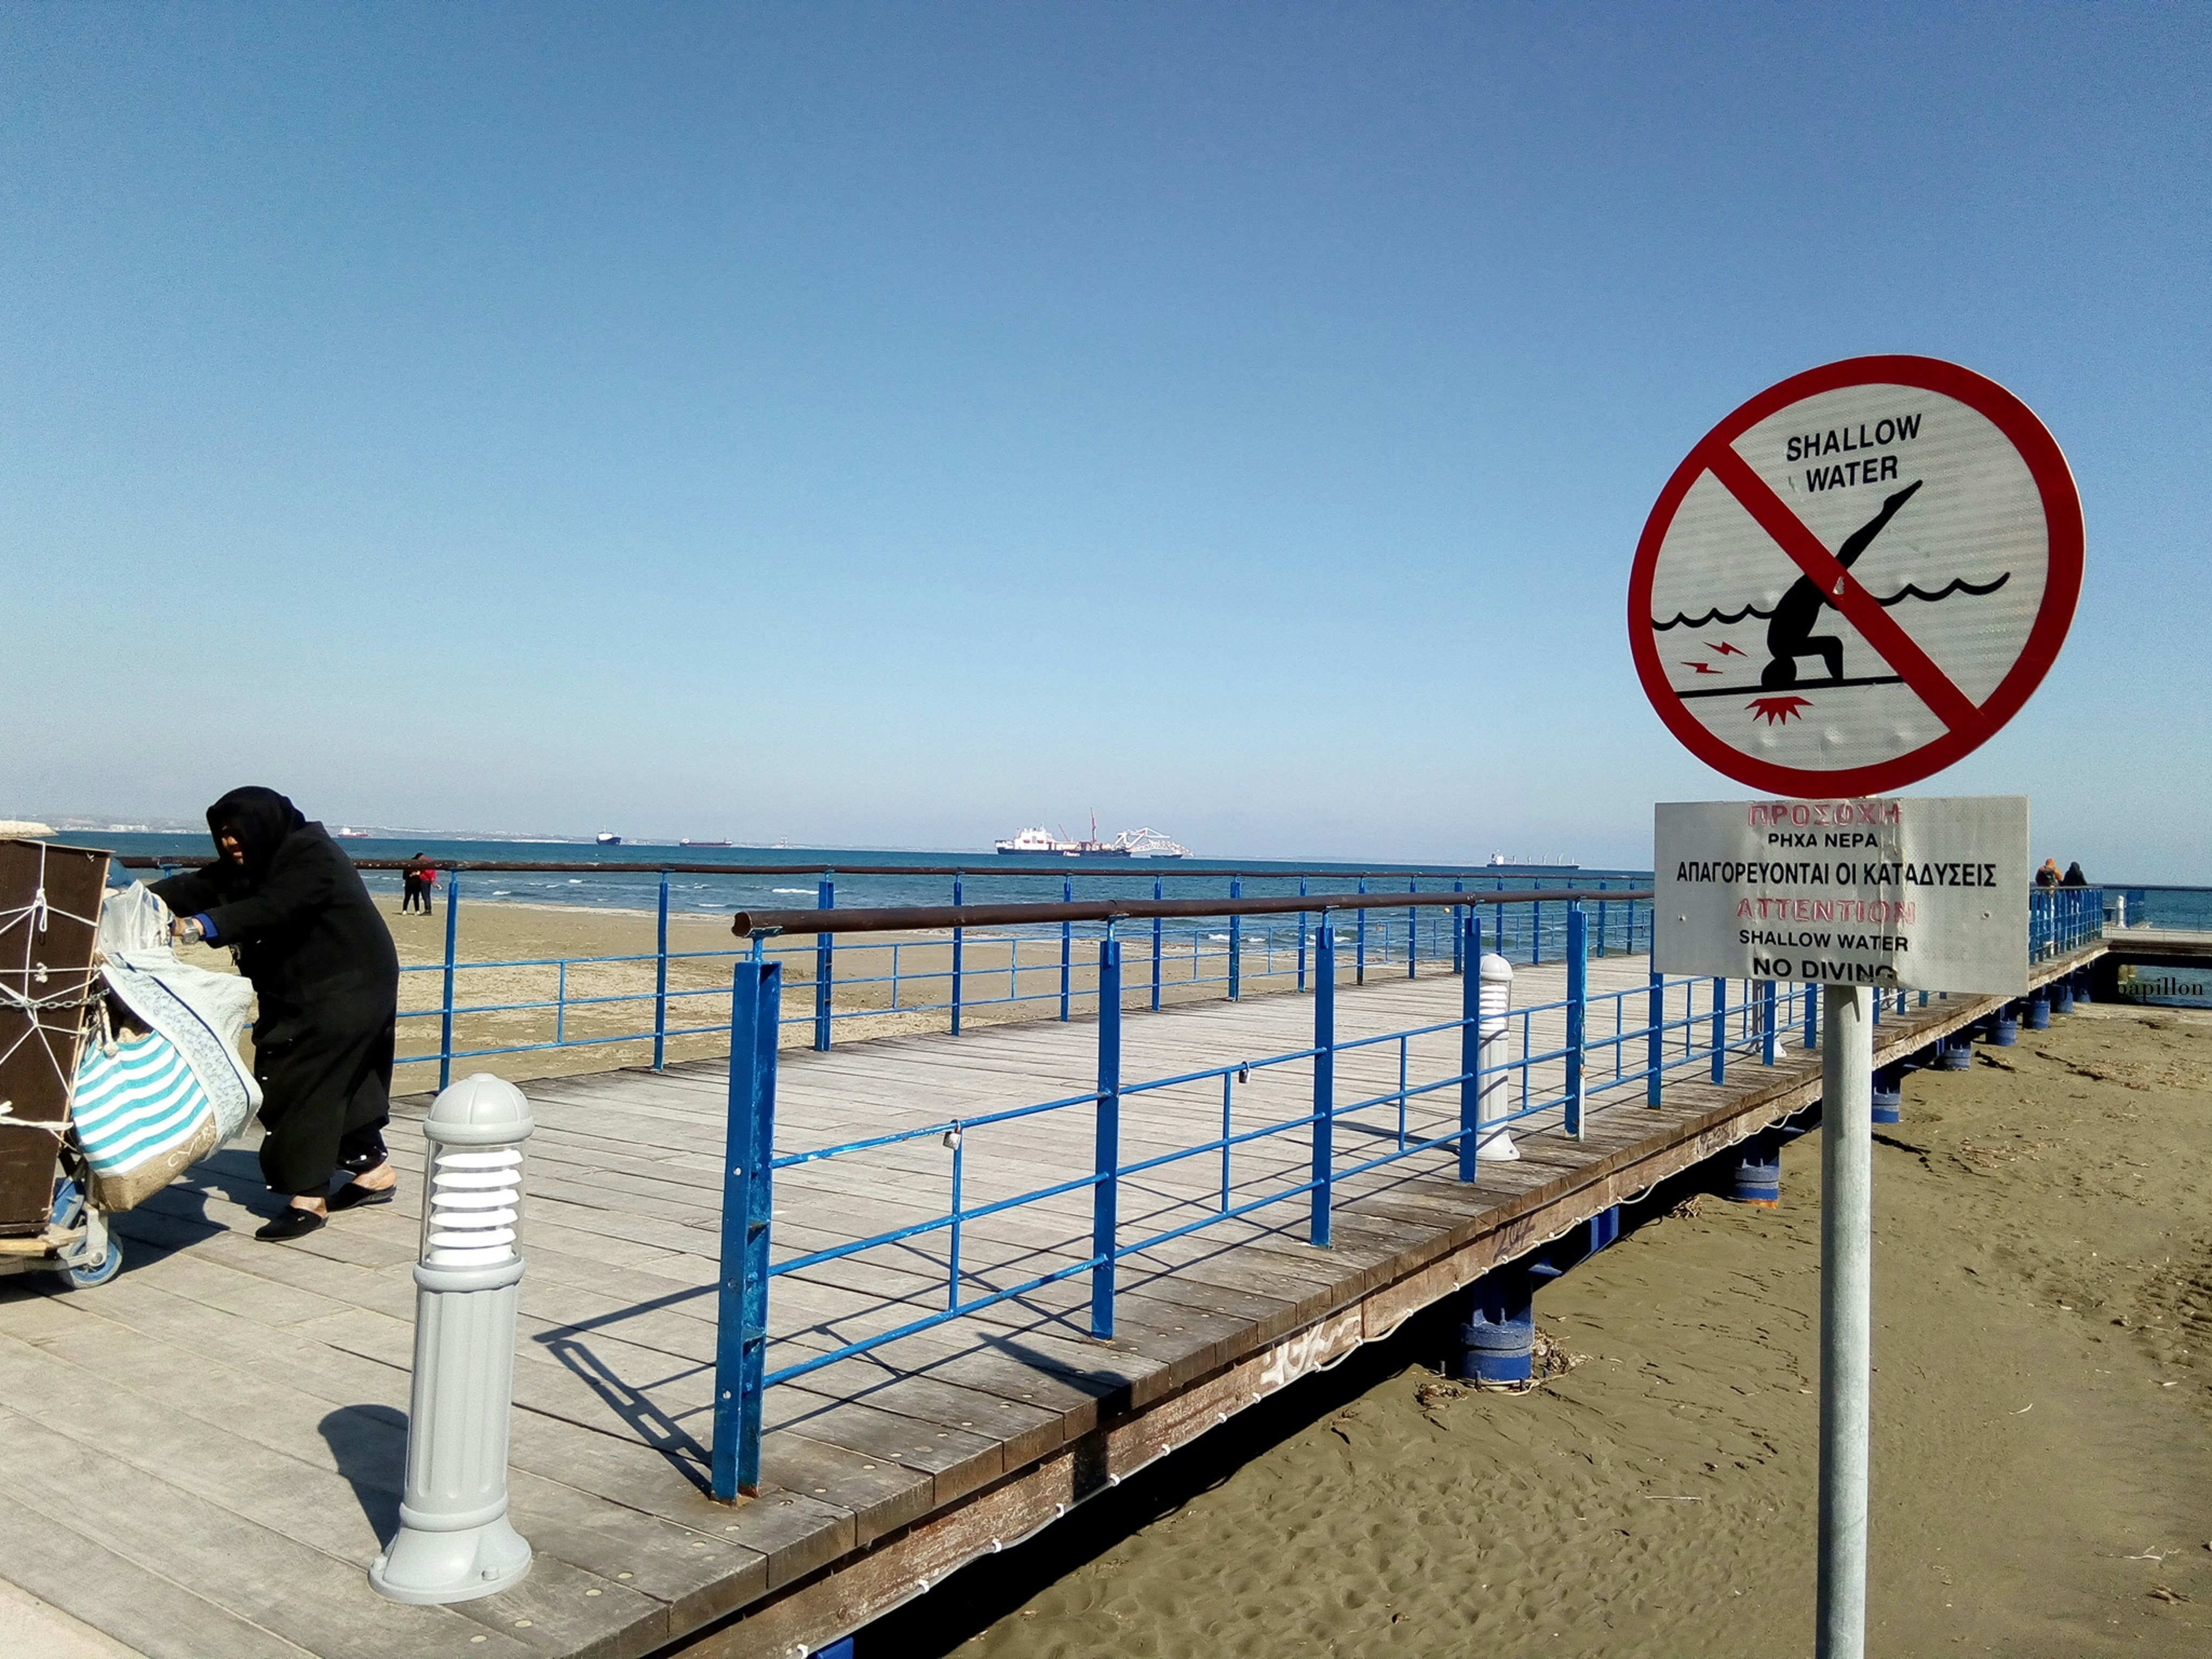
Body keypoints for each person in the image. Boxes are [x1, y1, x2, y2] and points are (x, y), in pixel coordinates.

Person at [150, 787, 402, 1242]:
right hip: (302, 986)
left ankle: (308, 1197)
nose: (229, 843)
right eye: (221, 834)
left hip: (348, 983)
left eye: (237, 833)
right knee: (347, 1076)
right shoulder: (252, 862)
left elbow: (277, 906)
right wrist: (130, 901)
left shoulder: (313, 856)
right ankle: (373, 1171)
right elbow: (195, 887)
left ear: (264, 825)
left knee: (301, 1077)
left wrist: (197, 926)